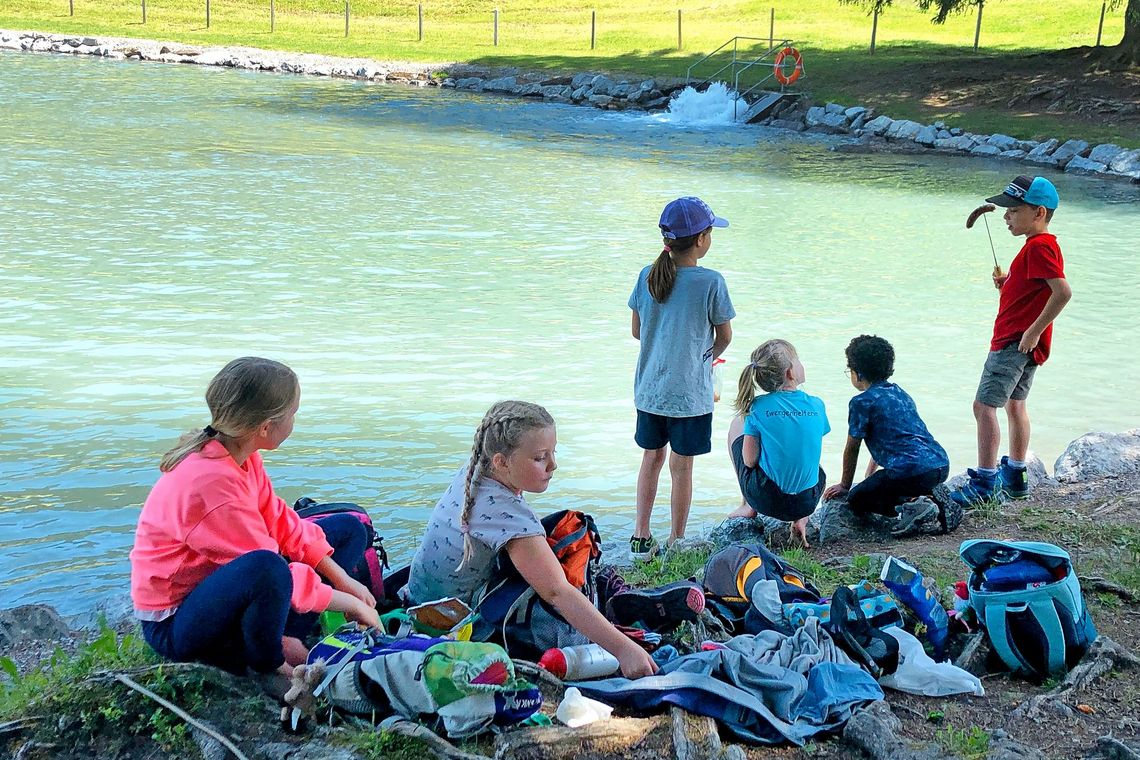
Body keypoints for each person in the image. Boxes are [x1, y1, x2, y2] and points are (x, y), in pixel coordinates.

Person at [130, 357, 381, 678]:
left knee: (349, 529)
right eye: (293, 414)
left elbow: (281, 520)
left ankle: (277, 634)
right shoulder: (211, 486)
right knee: (269, 567)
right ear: (265, 427)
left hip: (223, 581)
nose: (295, 421)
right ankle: (271, 667)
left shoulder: (241, 455)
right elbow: (266, 568)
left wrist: (342, 580)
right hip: (177, 622)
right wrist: (352, 604)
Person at [407, 400, 667, 679]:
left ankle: (610, 601)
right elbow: (556, 592)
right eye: (540, 457)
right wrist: (624, 651)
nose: (553, 464)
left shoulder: (473, 472)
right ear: (502, 461)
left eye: (553, 452)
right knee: (566, 610)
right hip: (456, 629)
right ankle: (615, 615)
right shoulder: (505, 513)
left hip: (417, 604)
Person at [947, 175, 1071, 506]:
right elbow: (1038, 291)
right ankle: (1016, 477)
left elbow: (1062, 293)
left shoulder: (1040, 247)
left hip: (1014, 342)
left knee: (984, 407)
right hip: (1026, 344)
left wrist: (1032, 331)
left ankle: (985, 483)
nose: (1006, 217)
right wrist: (1010, 284)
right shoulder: (1037, 248)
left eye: (1013, 211)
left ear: (1039, 213)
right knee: (1016, 405)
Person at [628, 196, 735, 562]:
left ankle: (640, 537)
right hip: (690, 394)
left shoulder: (647, 274)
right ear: (702, 239)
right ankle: (676, 540)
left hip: (651, 391)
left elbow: (637, 331)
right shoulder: (711, 282)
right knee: (681, 467)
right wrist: (704, 355)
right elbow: (725, 336)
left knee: (651, 458)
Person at [823, 336, 950, 536]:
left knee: (857, 499)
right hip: (939, 465)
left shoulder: (861, 402)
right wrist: (870, 473)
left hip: (910, 471)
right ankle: (929, 497)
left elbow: (853, 446)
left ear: (858, 374)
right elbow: (890, 436)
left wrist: (845, 485)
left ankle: (915, 507)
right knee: (883, 483)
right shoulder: (899, 393)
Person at [725, 339, 828, 547]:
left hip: (767, 501)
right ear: (790, 372)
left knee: (738, 423)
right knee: (814, 466)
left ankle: (747, 505)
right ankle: (800, 520)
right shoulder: (817, 404)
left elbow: (749, 461)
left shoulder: (756, 407)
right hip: (808, 501)